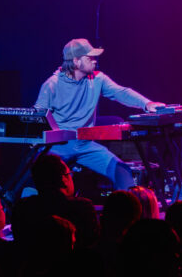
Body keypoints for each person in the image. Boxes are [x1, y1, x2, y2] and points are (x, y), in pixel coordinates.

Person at [33, 38, 164, 190]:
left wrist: (146, 104)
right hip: (56, 148)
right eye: (90, 58)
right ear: (76, 61)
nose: (95, 61)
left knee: (122, 172)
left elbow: (120, 92)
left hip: (85, 145)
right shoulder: (52, 84)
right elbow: (37, 117)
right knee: (48, 182)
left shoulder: (97, 79)